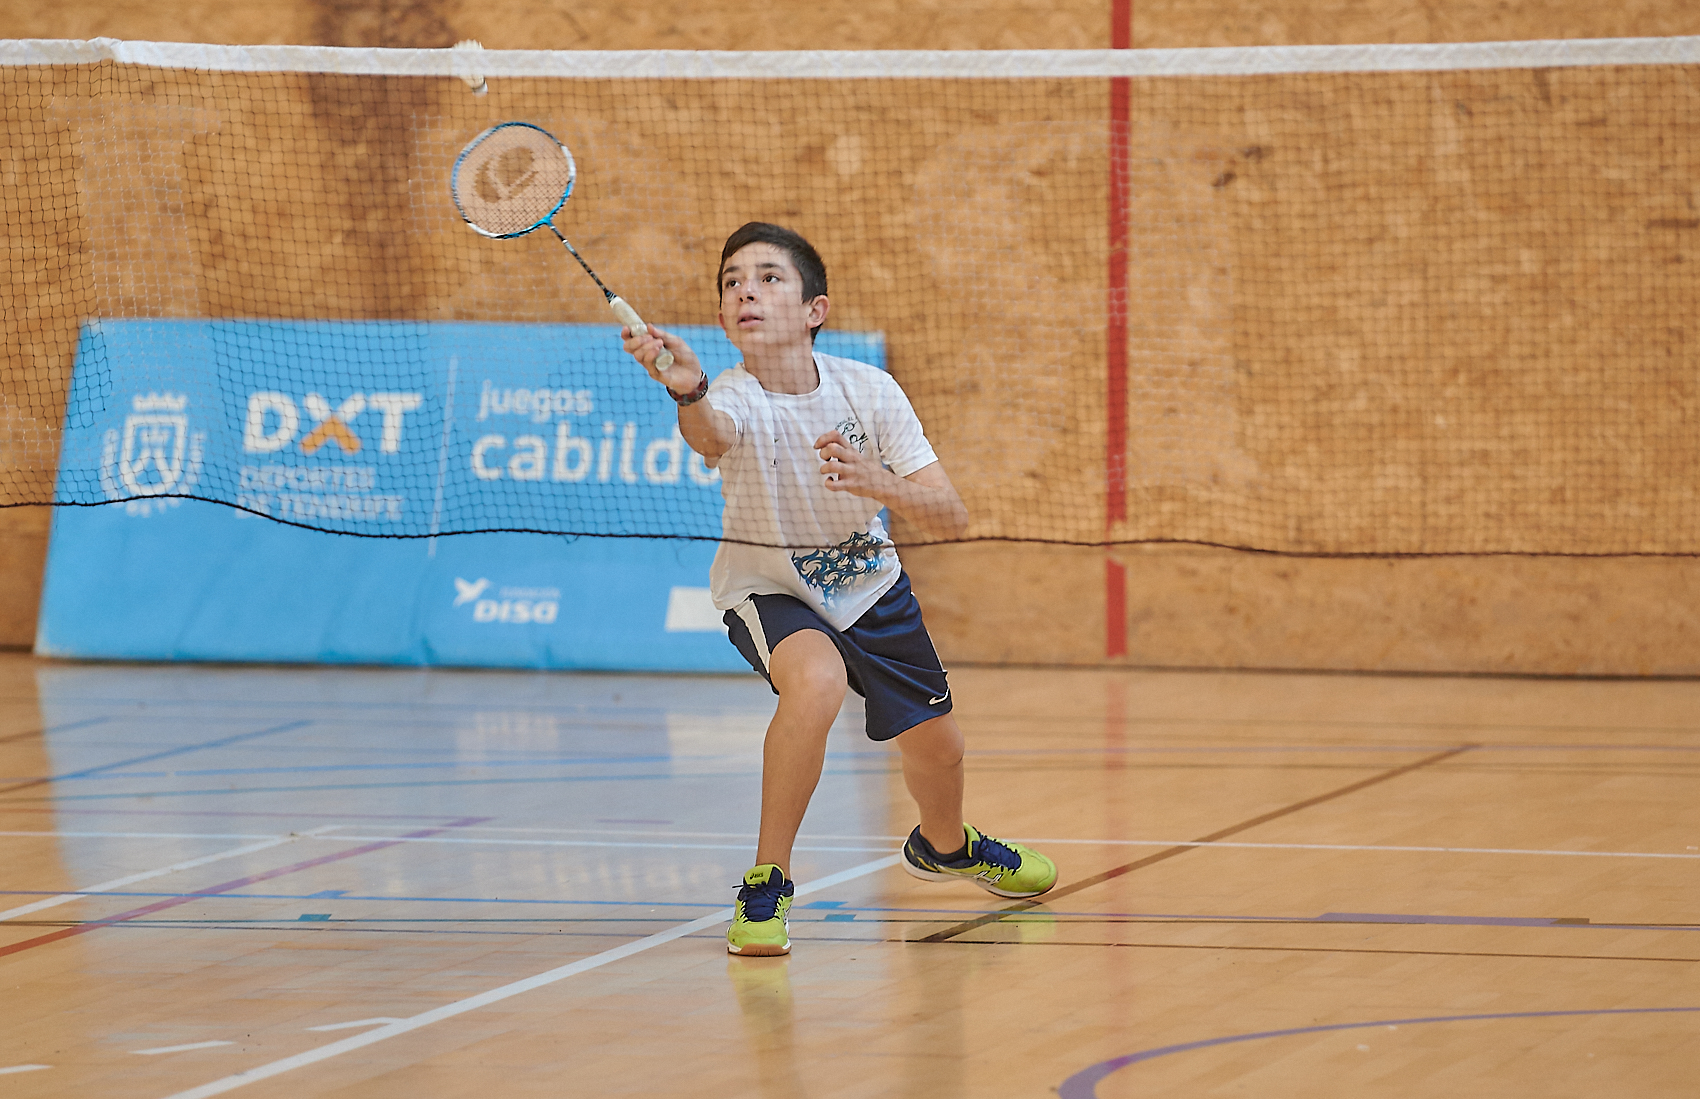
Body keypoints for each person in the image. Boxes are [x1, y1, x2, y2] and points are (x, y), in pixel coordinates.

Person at [622, 222, 1056, 957]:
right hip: (768, 586)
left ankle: (947, 847)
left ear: (814, 309)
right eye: (731, 282)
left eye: (767, 277)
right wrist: (686, 386)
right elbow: (710, 435)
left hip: (871, 587)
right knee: (815, 684)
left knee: (940, 749)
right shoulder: (732, 395)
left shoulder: (869, 391)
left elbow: (950, 513)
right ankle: (767, 884)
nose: (745, 290)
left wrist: (875, 481)